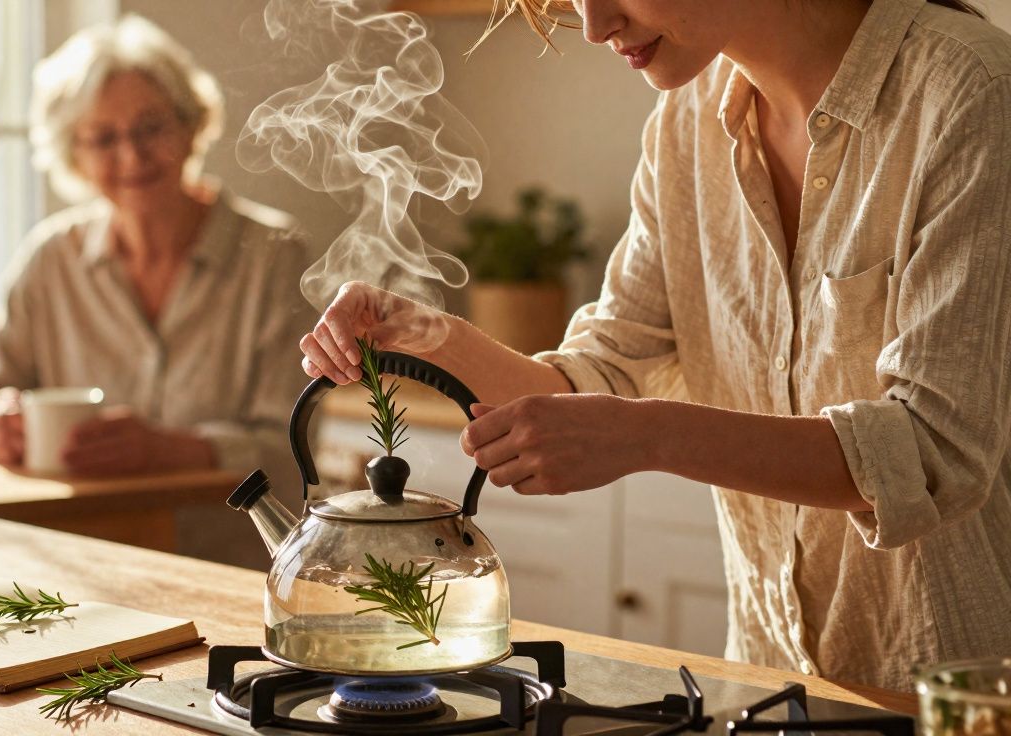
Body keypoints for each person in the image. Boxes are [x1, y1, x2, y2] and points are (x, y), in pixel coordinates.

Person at [299, 0, 1011, 691]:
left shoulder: (972, 94)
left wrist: (651, 437)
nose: (592, 23)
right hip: (771, 684)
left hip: (964, 693)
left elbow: (930, 450)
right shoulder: (688, 119)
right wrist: (425, 334)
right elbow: (605, 372)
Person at [0, 15, 313, 566]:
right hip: (77, 571)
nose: (131, 156)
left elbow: (289, 449)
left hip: (233, 570)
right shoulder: (49, 261)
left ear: (190, 127)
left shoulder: (275, 255)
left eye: (150, 128)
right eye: (104, 138)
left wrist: (168, 450)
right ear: (75, 156)